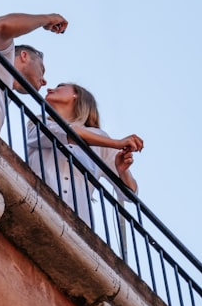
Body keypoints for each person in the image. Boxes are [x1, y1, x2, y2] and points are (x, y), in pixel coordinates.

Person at [26, 83, 142, 223]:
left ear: (77, 95)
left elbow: (130, 194)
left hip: (78, 221)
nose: (50, 89)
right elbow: (68, 133)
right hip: (35, 205)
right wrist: (117, 144)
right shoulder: (38, 122)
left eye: (60, 86)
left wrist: (123, 171)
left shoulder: (100, 137)